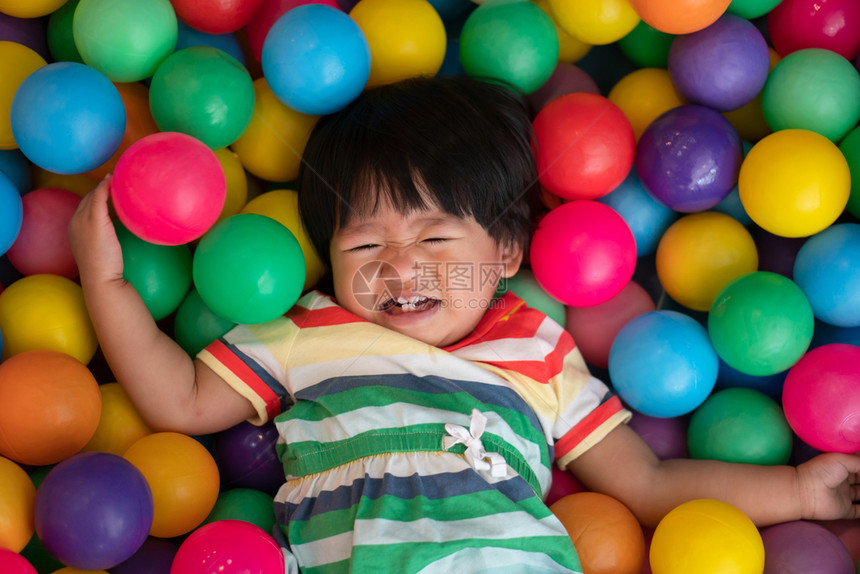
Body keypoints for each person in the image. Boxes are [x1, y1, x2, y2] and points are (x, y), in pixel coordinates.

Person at [69, 76, 860, 573]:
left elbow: (648, 483)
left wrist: (797, 490)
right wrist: (104, 278)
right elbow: (178, 401)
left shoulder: (541, 352)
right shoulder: (305, 331)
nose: (401, 267)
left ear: (507, 250)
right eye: (366, 242)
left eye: (436, 239)